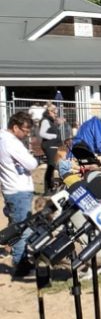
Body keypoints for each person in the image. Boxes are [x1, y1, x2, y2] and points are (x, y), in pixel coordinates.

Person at [0, 111, 38, 277]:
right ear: (15, 127)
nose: (27, 133)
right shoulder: (11, 143)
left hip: (12, 189)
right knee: (22, 229)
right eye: (25, 130)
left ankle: (19, 259)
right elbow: (32, 163)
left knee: (18, 226)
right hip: (18, 190)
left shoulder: (5, 140)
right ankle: (21, 265)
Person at [38, 102, 69, 192]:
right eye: (54, 112)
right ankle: (48, 189)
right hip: (50, 146)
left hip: (53, 145)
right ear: (49, 112)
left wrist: (58, 124)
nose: (56, 114)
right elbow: (42, 133)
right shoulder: (45, 120)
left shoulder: (50, 121)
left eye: (56, 113)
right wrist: (54, 136)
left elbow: (51, 130)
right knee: (51, 166)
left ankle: (50, 187)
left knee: (51, 166)